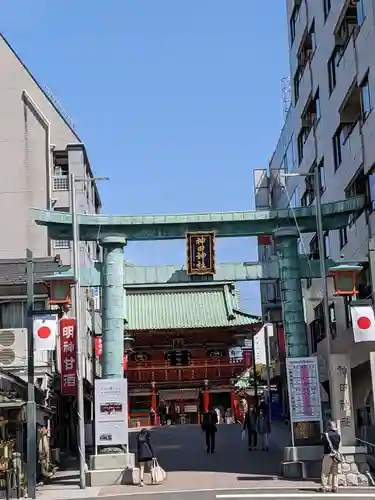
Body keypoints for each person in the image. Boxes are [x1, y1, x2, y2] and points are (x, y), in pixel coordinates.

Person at [320, 421, 341, 493]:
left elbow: (322, 442)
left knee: (325, 472)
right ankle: (335, 487)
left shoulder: (326, 435)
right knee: (334, 472)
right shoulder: (337, 435)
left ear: (328, 426)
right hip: (335, 456)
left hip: (328, 455)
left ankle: (324, 487)